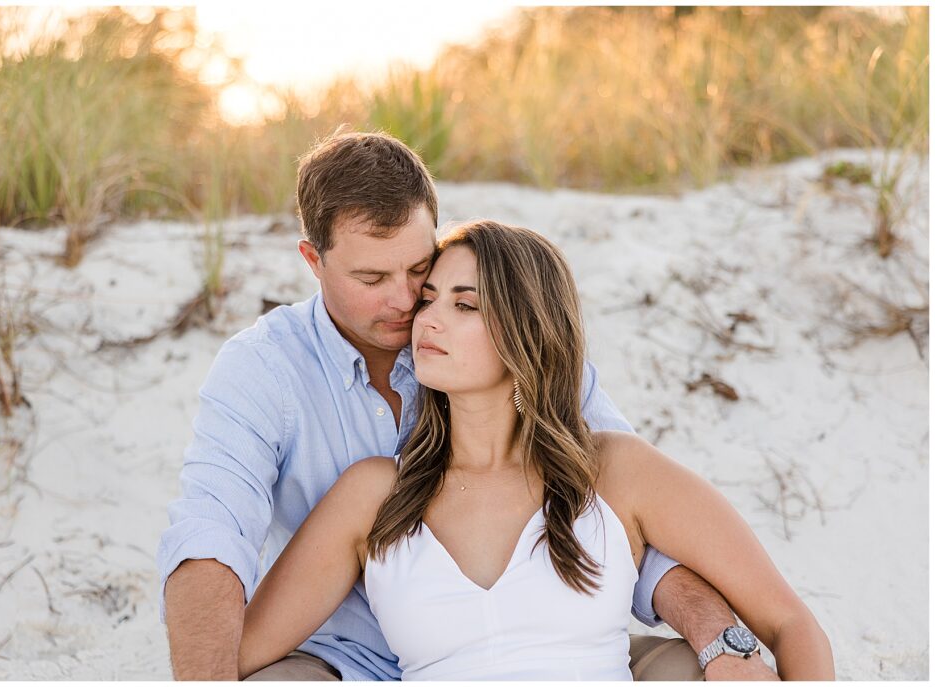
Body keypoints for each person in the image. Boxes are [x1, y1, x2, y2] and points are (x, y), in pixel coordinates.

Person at [158, 131, 777, 681]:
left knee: (685, 665)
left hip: (539, 639)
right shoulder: (264, 369)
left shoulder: (503, 342)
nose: (407, 304)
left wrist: (717, 636)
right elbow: (212, 539)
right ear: (312, 261)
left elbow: (628, 516)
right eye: (372, 279)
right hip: (346, 656)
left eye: (420, 272)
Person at [236, 220, 835, 681]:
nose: (429, 320)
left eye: (464, 305)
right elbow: (236, 656)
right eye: (429, 299)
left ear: (528, 330)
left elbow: (790, 624)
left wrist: (725, 649)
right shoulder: (373, 495)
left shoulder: (616, 472)